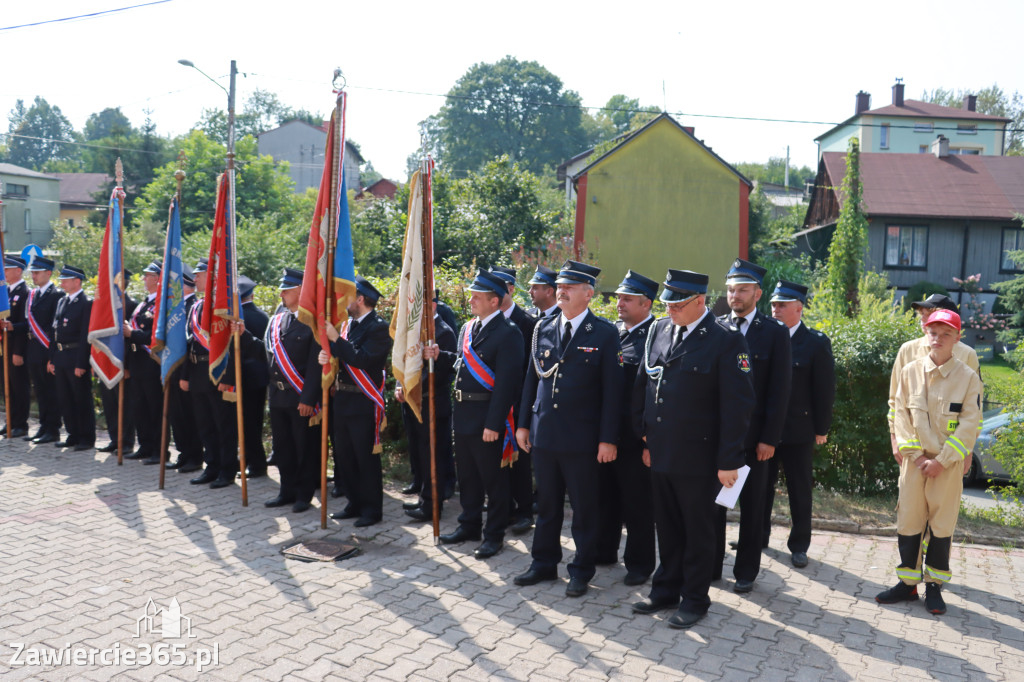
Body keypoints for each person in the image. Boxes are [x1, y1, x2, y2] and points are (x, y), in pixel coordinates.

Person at [631, 269, 754, 629]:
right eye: (667, 302)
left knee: (698, 531)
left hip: (701, 458)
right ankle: (665, 589)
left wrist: (730, 460)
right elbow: (644, 383)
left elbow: (738, 405)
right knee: (666, 526)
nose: (669, 308)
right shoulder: (659, 329)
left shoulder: (725, 340)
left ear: (700, 301)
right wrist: (644, 437)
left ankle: (695, 598)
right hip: (662, 451)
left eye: (677, 303)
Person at [514, 260, 622, 598]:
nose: (561, 290)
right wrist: (522, 425)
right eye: (560, 285)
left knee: (584, 509)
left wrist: (608, 439)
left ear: (588, 294)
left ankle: (580, 570)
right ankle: (543, 563)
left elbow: (612, 394)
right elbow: (531, 379)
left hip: (583, 440)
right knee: (547, 506)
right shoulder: (542, 328)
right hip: (544, 434)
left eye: (570, 287)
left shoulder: (604, 334)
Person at [877, 309, 982, 616]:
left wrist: (944, 459)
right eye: (933, 332)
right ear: (926, 334)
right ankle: (906, 583)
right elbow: (901, 415)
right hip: (915, 463)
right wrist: (918, 457)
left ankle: (933, 586)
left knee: (941, 524)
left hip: (946, 468)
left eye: (945, 334)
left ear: (957, 339)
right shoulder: (910, 371)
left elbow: (969, 423)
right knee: (909, 520)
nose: (937, 338)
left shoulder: (968, 378)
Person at [714, 258, 791, 594]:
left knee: (752, 508)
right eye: (731, 289)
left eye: (743, 289)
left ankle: (746, 571)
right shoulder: (715, 326)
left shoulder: (774, 333)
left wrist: (769, 438)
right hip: (719, 438)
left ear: (757, 293)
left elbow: (780, 390)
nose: (735, 295)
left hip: (755, 440)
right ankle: (712, 564)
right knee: (715, 504)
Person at [435, 269, 523, 556]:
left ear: (495, 301)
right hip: (464, 414)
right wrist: (441, 356)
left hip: (487, 417)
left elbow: (507, 385)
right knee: (468, 477)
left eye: (477, 296)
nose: (471, 300)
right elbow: (464, 365)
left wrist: (494, 423)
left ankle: (494, 535)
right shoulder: (469, 327)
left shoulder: (509, 334)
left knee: (493, 480)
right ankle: (468, 524)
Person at [763, 280, 835, 568]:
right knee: (760, 488)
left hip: (798, 431)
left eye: (782, 305)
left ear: (799, 308)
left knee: (799, 489)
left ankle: (799, 545)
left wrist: (821, 428)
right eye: (773, 304)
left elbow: (824, 389)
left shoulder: (815, 343)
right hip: (766, 431)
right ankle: (758, 537)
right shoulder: (766, 337)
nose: (775, 309)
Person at [596, 270, 657, 586]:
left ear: (645, 304)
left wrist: (649, 441)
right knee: (606, 496)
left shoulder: (656, 336)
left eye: (627, 299)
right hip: (608, 433)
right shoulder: (612, 333)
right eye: (618, 297)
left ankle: (640, 564)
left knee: (637, 504)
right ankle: (605, 550)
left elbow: (653, 393)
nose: (619, 303)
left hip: (635, 438)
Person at [321, 276, 393, 528]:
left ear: (360, 300)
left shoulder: (378, 327)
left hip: (363, 400)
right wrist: (326, 357)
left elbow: (363, 360)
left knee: (365, 457)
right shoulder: (348, 325)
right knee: (345, 456)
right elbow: (342, 356)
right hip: (343, 398)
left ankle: (372, 509)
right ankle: (353, 502)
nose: (343, 301)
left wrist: (336, 341)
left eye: (348, 297)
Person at [888, 293, 980, 460]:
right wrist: (895, 440)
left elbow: (974, 411)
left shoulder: (968, 355)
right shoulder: (907, 350)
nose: (922, 318)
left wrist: (967, 450)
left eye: (928, 313)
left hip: (950, 451)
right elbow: (895, 400)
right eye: (921, 313)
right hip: (913, 449)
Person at [264, 268, 321, 513]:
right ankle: (286, 491)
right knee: (283, 447)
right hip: (278, 395)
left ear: (301, 290)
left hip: (300, 397)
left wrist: (308, 398)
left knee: (304, 448)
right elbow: (268, 357)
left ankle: (303, 494)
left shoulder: (313, 322)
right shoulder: (280, 319)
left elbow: (315, 366)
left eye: (286, 290)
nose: (281, 295)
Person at [181, 258, 239, 488]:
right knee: (205, 425)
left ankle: (227, 471)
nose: (194, 279)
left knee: (223, 425)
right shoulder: (196, 307)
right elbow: (189, 344)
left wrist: (229, 378)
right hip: (197, 372)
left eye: (199, 274)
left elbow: (234, 346)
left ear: (212, 277)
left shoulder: (225, 306)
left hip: (219, 372)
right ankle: (211, 467)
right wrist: (185, 375)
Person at [401, 298, 457, 523]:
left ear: (433, 306)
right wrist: (401, 385)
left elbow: (442, 374)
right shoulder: (416, 331)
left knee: (433, 455)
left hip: (433, 402)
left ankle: (432, 504)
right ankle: (425, 498)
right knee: (422, 453)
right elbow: (406, 362)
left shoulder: (443, 332)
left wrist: (413, 387)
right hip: (416, 400)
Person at [491, 265, 538, 536]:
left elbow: (529, 369)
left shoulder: (527, 322)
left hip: (518, 403)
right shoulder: (487, 321)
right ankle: (504, 508)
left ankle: (524, 512)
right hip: (493, 402)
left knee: (519, 461)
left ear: (510, 289)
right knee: (497, 460)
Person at [48, 265, 95, 450]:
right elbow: (55, 331)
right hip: (61, 357)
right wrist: (52, 358)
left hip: (76, 356)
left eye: (65, 280)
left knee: (81, 398)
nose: (62, 283)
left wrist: (81, 363)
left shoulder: (86, 302)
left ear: (77, 281)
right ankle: (72, 434)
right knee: (65, 399)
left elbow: (85, 336)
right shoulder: (62, 301)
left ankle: (86, 437)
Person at [123, 260, 163, 463]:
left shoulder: (161, 305)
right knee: (139, 407)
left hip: (151, 362)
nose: (144, 278)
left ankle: (158, 450)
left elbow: (155, 336)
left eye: (148, 275)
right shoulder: (143, 303)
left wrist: (132, 333)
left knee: (154, 408)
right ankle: (145, 446)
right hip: (137, 362)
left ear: (157, 279)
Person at [164, 266, 203, 472]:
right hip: (172, 367)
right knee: (176, 415)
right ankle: (183, 453)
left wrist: (185, 374)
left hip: (185, 370)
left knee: (189, 416)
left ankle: (194, 456)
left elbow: (190, 344)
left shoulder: (193, 307)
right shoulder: (176, 307)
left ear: (184, 286)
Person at [96, 269, 136, 455]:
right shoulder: (105, 305)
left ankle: (126, 441)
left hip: (122, 364)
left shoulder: (131, 305)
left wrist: (126, 366)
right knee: (110, 403)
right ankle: (114, 439)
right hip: (106, 362)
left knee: (124, 405)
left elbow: (129, 340)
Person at [23, 256, 61, 444]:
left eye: (37, 273)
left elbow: (54, 328)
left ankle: (53, 429)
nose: (33, 276)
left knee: (50, 391)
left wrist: (51, 356)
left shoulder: (56, 295)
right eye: (32, 273)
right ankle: (44, 426)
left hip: (47, 349)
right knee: (40, 390)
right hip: (33, 350)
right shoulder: (34, 295)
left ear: (48, 273)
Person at [239, 277, 270, 478]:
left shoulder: (240, 318)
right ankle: (252, 460)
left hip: (245, 377)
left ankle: (255, 463)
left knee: (247, 423)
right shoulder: (263, 316)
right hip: (259, 378)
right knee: (253, 422)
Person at [1, 256, 30, 438]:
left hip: (16, 347)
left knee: (19, 386)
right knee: (7, 387)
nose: (3, 272)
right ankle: (10, 420)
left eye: (7, 269)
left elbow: (26, 323)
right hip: (4, 348)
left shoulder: (25, 292)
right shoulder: (5, 293)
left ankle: (21, 423)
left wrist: (18, 352)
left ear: (18, 271)